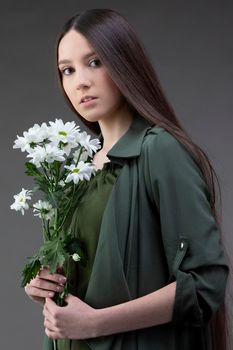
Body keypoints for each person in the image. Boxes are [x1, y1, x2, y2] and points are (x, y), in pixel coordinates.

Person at [24, 8, 230, 350]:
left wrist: (95, 323)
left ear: (124, 62)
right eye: (68, 70)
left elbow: (205, 282)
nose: (80, 82)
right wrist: (45, 284)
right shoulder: (78, 167)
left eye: (95, 62)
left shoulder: (160, 151)